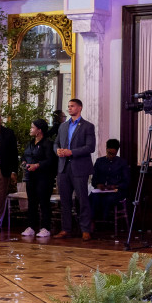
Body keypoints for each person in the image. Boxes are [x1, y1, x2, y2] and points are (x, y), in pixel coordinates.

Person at [53, 99, 96, 241]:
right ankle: (66, 229)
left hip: (79, 168)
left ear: (80, 108)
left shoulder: (88, 126)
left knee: (82, 199)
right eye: (68, 106)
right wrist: (57, 150)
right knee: (65, 201)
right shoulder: (63, 126)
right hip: (63, 168)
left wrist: (71, 152)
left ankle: (85, 229)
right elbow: (56, 143)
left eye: (72, 106)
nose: (69, 108)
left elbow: (90, 147)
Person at [21, 119, 57, 238]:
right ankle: (31, 226)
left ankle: (45, 228)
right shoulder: (30, 143)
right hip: (30, 177)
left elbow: (51, 161)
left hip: (44, 177)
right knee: (32, 202)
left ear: (39, 130)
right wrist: (24, 162)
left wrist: (37, 165)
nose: (30, 129)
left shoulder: (48, 143)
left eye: (32, 127)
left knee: (44, 202)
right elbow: (24, 156)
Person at [90, 138, 130, 223]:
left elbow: (126, 182)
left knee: (108, 199)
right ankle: (92, 221)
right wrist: (98, 185)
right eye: (109, 153)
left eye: (113, 154)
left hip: (116, 191)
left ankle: (104, 221)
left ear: (117, 151)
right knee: (93, 197)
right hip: (101, 191)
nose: (111, 156)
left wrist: (115, 186)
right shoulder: (99, 161)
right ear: (106, 150)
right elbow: (94, 180)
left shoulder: (122, 163)